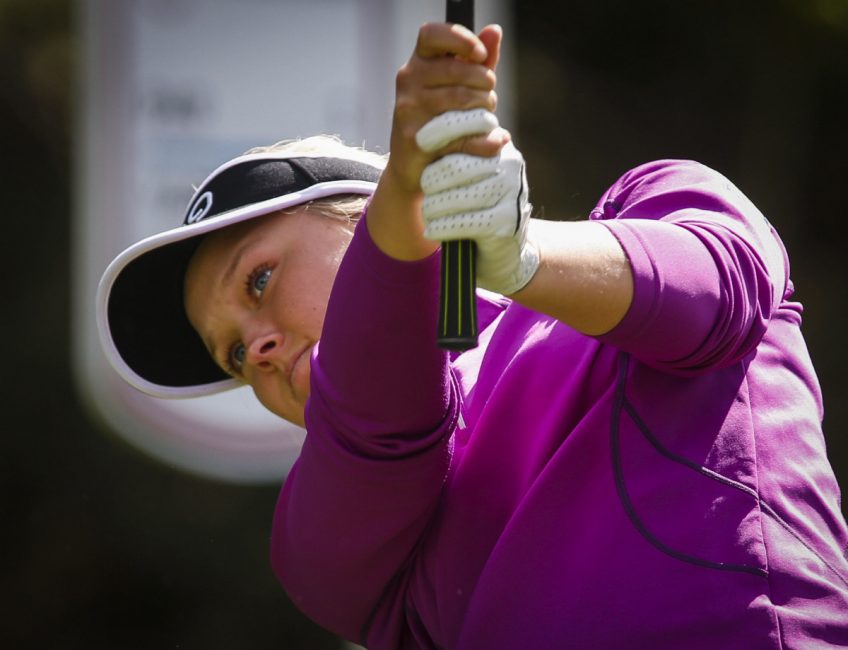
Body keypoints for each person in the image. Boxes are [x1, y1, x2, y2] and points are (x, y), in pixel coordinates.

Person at [97, 21, 848, 650]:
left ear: (363, 213)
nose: (254, 351)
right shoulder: (316, 532)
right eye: (231, 353)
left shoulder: (659, 201)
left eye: (258, 281)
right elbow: (376, 416)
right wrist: (406, 225)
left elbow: (717, 293)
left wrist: (521, 255)